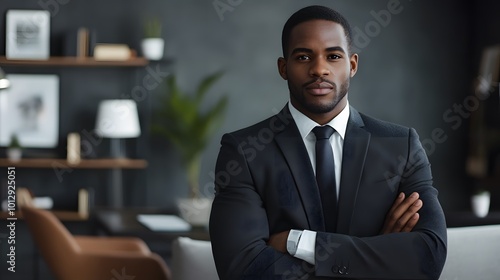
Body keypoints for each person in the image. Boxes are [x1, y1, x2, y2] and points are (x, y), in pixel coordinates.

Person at [209, 5, 447, 280]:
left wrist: (297, 242)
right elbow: (243, 270)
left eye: (333, 56)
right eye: (303, 57)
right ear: (283, 68)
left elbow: (429, 257)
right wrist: (377, 257)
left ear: (352, 64)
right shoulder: (244, 152)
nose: (319, 69)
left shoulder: (401, 145)